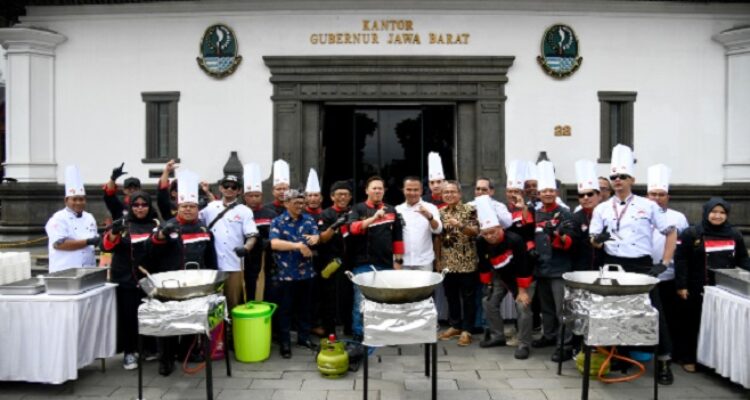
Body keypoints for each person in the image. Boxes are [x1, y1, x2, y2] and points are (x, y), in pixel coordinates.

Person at [589, 144, 678, 385]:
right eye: (614, 177)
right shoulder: (602, 208)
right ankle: (620, 356)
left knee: (653, 312)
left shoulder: (648, 205)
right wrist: (599, 241)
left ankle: (664, 360)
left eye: (622, 177)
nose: (617, 180)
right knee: (615, 312)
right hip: (612, 264)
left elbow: (670, 232)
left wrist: (665, 262)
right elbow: (594, 241)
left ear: (632, 179)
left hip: (640, 265)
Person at [150, 169, 218, 376]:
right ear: (177, 207)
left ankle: (185, 352)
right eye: (184, 206)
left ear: (198, 208)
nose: (188, 210)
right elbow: (152, 249)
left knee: (190, 318)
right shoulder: (167, 226)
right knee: (168, 322)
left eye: (192, 206)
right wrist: (160, 236)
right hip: (170, 283)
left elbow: (210, 258)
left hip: (196, 282)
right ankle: (166, 359)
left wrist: (213, 281)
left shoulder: (205, 230)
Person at [675, 198, 750, 373]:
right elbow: (681, 260)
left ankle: (713, 361)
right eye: (714, 212)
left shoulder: (735, 234)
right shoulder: (691, 233)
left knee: (717, 325)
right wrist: (681, 285)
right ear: (706, 212)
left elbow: (742, 259)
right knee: (693, 324)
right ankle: (688, 357)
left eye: (722, 212)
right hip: (696, 287)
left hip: (723, 288)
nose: (718, 216)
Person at [100, 191, 159, 370]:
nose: (140, 208)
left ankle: (148, 348)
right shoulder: (123, 225)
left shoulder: (155, 225)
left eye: (144, 204)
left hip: (149, 278)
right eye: (136, 205)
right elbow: (106, 247)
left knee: (149, 314)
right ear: (130, 207)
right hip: (125, 277)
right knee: (128, 317)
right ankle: (129, 352)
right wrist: (113, 234)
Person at [347, 176, 405, 341]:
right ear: (366, 190)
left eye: (380, 188)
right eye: (374, 188)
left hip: (386, 263)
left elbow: (398, 238)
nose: (378, 191)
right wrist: (374, 218)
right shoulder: (357, 209)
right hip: (362, 263)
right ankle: (358, 333)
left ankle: (382, 332)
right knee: (360, 302)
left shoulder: (392, 210)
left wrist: (398, 262)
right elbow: (353, 228)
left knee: (384, 302)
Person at [475, 195, 532, 357]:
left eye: (493, 232)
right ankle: (497, 336)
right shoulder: (480, 241)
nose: (490, 236)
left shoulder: (515, 240)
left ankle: (524, 344)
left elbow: (523, 266)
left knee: (523, 307)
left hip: (522, 277)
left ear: (501, 228)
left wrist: (521, 291)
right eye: (485, 234)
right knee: (488, 301)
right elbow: (484, 264)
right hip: (500, 275)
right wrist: (488, 285)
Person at [530, 161, 575, 362]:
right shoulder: (535, 213)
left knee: (561, 309)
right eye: (543, 191)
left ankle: (565, 344)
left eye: (551, 190)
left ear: (556, 192)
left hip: (559, 267)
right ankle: (549, 336)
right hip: (541, 267)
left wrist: (558, 236)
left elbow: (570, 241)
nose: (547, 193)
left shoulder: (565, 212)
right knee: (546, 307)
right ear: (538, 194)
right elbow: (528, 235)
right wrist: (530, 249)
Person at [646, 164, 689, 370]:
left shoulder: (678, 218)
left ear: (667, 196)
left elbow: (683, 248)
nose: (657, 197)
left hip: (669, 275)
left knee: (668, 319)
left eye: (661, 194)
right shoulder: (639, 213)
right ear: (647, 195)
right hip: (644, 276)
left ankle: (667, 357)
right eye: (653, 193)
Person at [269, 189, 320, 358]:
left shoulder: (308, 219)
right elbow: (274, 243)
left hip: (306, 273)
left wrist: (316, 239)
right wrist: (298, 245)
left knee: (305, 308)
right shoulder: (278, 222)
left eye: (301, 203)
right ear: (286, 203)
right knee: (285, 309)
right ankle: (285, 342)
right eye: (296, 203)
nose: (300, 206)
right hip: (285, 274)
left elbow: (315, 236)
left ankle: (304, 338)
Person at [199, 174, 258, 314]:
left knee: (233, 303)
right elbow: (194, 220)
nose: (229, 189)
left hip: (234, 265)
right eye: (226, 186)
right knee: (213, 304)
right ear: (220, 188)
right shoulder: (210, 207)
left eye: (234, 187)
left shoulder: (245, 211)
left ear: (239, 191)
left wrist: (246, 248)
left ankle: (233, 333)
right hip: (213, 264)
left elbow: (252, 235)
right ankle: (217, 335)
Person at [435, 180, 479, 346]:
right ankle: (455, 326)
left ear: (460, 194)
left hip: (467, 261)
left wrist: (460, 225)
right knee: (451, 296)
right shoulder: (440, 212)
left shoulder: (470, 210)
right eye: (446, 192)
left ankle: (467, 330)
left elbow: (475, 232)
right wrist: (438, 259)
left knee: (468, 297)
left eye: (453, 192)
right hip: (447, 262)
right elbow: (438, 238)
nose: (449, 195)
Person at [45, 165, 99, 273]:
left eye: (81, 199)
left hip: (88, 270)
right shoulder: (58, 218)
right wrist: (88, 241)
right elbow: (59, 244)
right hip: (64, 272)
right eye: (74, 199)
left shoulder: (90, 217)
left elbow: (95, 242)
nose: (78, 203)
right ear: (66, 200)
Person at [242, 163, 277, 302]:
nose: (254, 199)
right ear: (245, 196)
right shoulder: (240, 212)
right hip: (246, 256)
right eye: (251, 196)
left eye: (257, 195)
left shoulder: (270, 214)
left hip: (266, 255)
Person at [396, 176, 442, 271]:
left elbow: (438, 230)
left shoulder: (431, 207)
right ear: (403, 190)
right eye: (409, 189)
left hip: (424, 262)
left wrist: (429, 217)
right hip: (403, 262)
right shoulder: (397, 210)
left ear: (421, 191)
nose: (412, 193)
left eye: (416, 190)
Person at [571, 160, 603, 271]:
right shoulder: (575, 218)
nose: (585, 198)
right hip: (581, 269)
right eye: (581, 195)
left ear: (599, 196)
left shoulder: (608, 215)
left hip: (605, 267)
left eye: (590, 194)